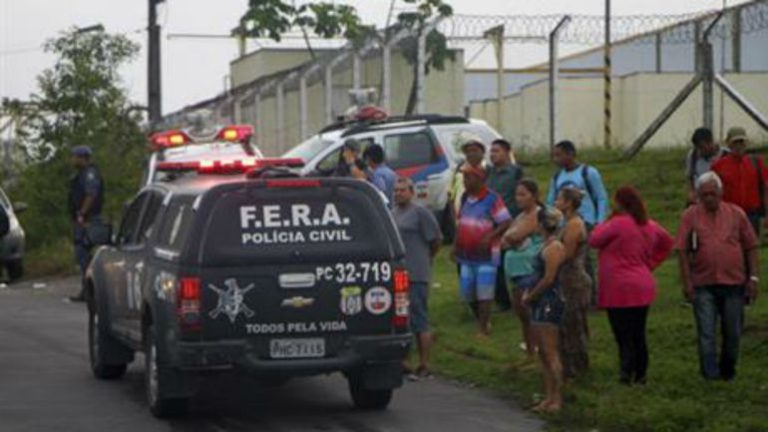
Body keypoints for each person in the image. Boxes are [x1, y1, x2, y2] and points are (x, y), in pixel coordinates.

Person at [676, 172, 759, 381]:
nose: (709, 199)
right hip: (703, 284)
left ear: (721, 193)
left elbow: (751, 246)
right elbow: (682, 250)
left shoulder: (736, 214)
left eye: (713, 194)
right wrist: (687, 282)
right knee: (706, 333)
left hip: (733, 283)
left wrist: (754, 278)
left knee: (733, 333)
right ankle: (710, 375)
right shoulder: (690, 216)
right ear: (698, 196)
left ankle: (728, 371)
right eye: (704, 195)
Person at [588, 186, 673, 385]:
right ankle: (641, 373)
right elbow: (667, 242)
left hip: (618, 287)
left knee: (622, 333)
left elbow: (594, 239)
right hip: (642, 283)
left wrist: (607, 219)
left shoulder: (617, 224)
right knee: (638, 332)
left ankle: (626, 371)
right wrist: (651, 263)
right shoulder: (648, 224)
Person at [452, 164, 512, 337]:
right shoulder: (464, 197)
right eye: (464, 177)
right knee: (468, 292)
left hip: (486, 255)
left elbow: (506, 221)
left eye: (469, 177)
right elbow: (461, 222)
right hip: (466, 254)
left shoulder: (492, 199)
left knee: (484, 291)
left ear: (480, 179)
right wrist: (455, 245)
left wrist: (490, 236)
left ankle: (483, 327)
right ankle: (482, 319)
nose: (465, 181)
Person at [393, 177, 442, 380]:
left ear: (411, 192)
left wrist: (427, 258)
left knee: (419, 318)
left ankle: (424, 363)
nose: (399, 194)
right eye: (396, 190)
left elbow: (436, 239)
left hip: (417, 273)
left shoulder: (420, 212)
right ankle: (405, 361)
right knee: (402, 319)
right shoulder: (392, 213)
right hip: (399, 276)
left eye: (403, 190)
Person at [521, 207, 566, 413]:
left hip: (549, 301)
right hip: (539, 301)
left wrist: (531, 295)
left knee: (550, 351)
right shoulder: (545, 245)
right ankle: (548, 397)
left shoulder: (554, 247)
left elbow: (548, 278)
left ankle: (556, 398)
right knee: (543, 353)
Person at [501, 179, 544, 358]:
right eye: (516, 194)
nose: (518, 198)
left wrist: (512, 238)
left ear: (533, 196)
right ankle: (530, 351)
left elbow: (515, 236)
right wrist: (511, 238)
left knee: (531, 313)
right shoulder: (519, 216)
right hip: (516, 272)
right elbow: (504, 242)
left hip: (530, 271)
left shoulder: (538, 214)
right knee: (522, 315)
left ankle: (540, 350)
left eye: (522, 194)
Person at [554, 187, 592, 379]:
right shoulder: (566, 222)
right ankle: (568, 366)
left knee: (574, 325)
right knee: (565, 325)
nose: (555, 201)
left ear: (568, 203)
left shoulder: (575, 224)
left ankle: (578, 368)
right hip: (565, 279)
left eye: (559, 198)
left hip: (574, 281)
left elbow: (567, 254)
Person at [486, 139, 524, 312]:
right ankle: (503, 302)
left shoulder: (516, 172)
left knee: (516, 262)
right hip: (494, 226)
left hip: (514, 224)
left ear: (507, 152)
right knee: (496, 265)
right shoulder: (489, 173)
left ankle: (523, 297)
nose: (493, 154)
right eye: (491, 151)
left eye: (497, 151)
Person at [711, 127, 768, 235]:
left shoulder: (756, 162)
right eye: (735, 142)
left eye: (741, 142)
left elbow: (765, 188)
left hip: (752, 215)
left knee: (752, 248)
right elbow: (714, 193)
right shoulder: (718, 166)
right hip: (729, 215)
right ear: (729, 144)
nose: (738, 146)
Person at [68, 145, 104, 302]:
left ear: (83, 158)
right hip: (84, 219)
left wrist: (82, 214)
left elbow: (91, 195)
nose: (73, 159)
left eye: (75, 156)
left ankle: (89, 290)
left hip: (88, 219)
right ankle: (87, 289)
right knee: (82, 254)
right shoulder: (82, 174)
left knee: (83, 252)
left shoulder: (89, 174)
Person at [686, 127, 726, 205]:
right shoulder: (693, 156)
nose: (700, 151)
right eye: (697, 147)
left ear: (711, 142)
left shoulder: (726, 155)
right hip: (699, 203)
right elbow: (690, 177)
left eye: (702, 147)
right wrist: (691, 192)